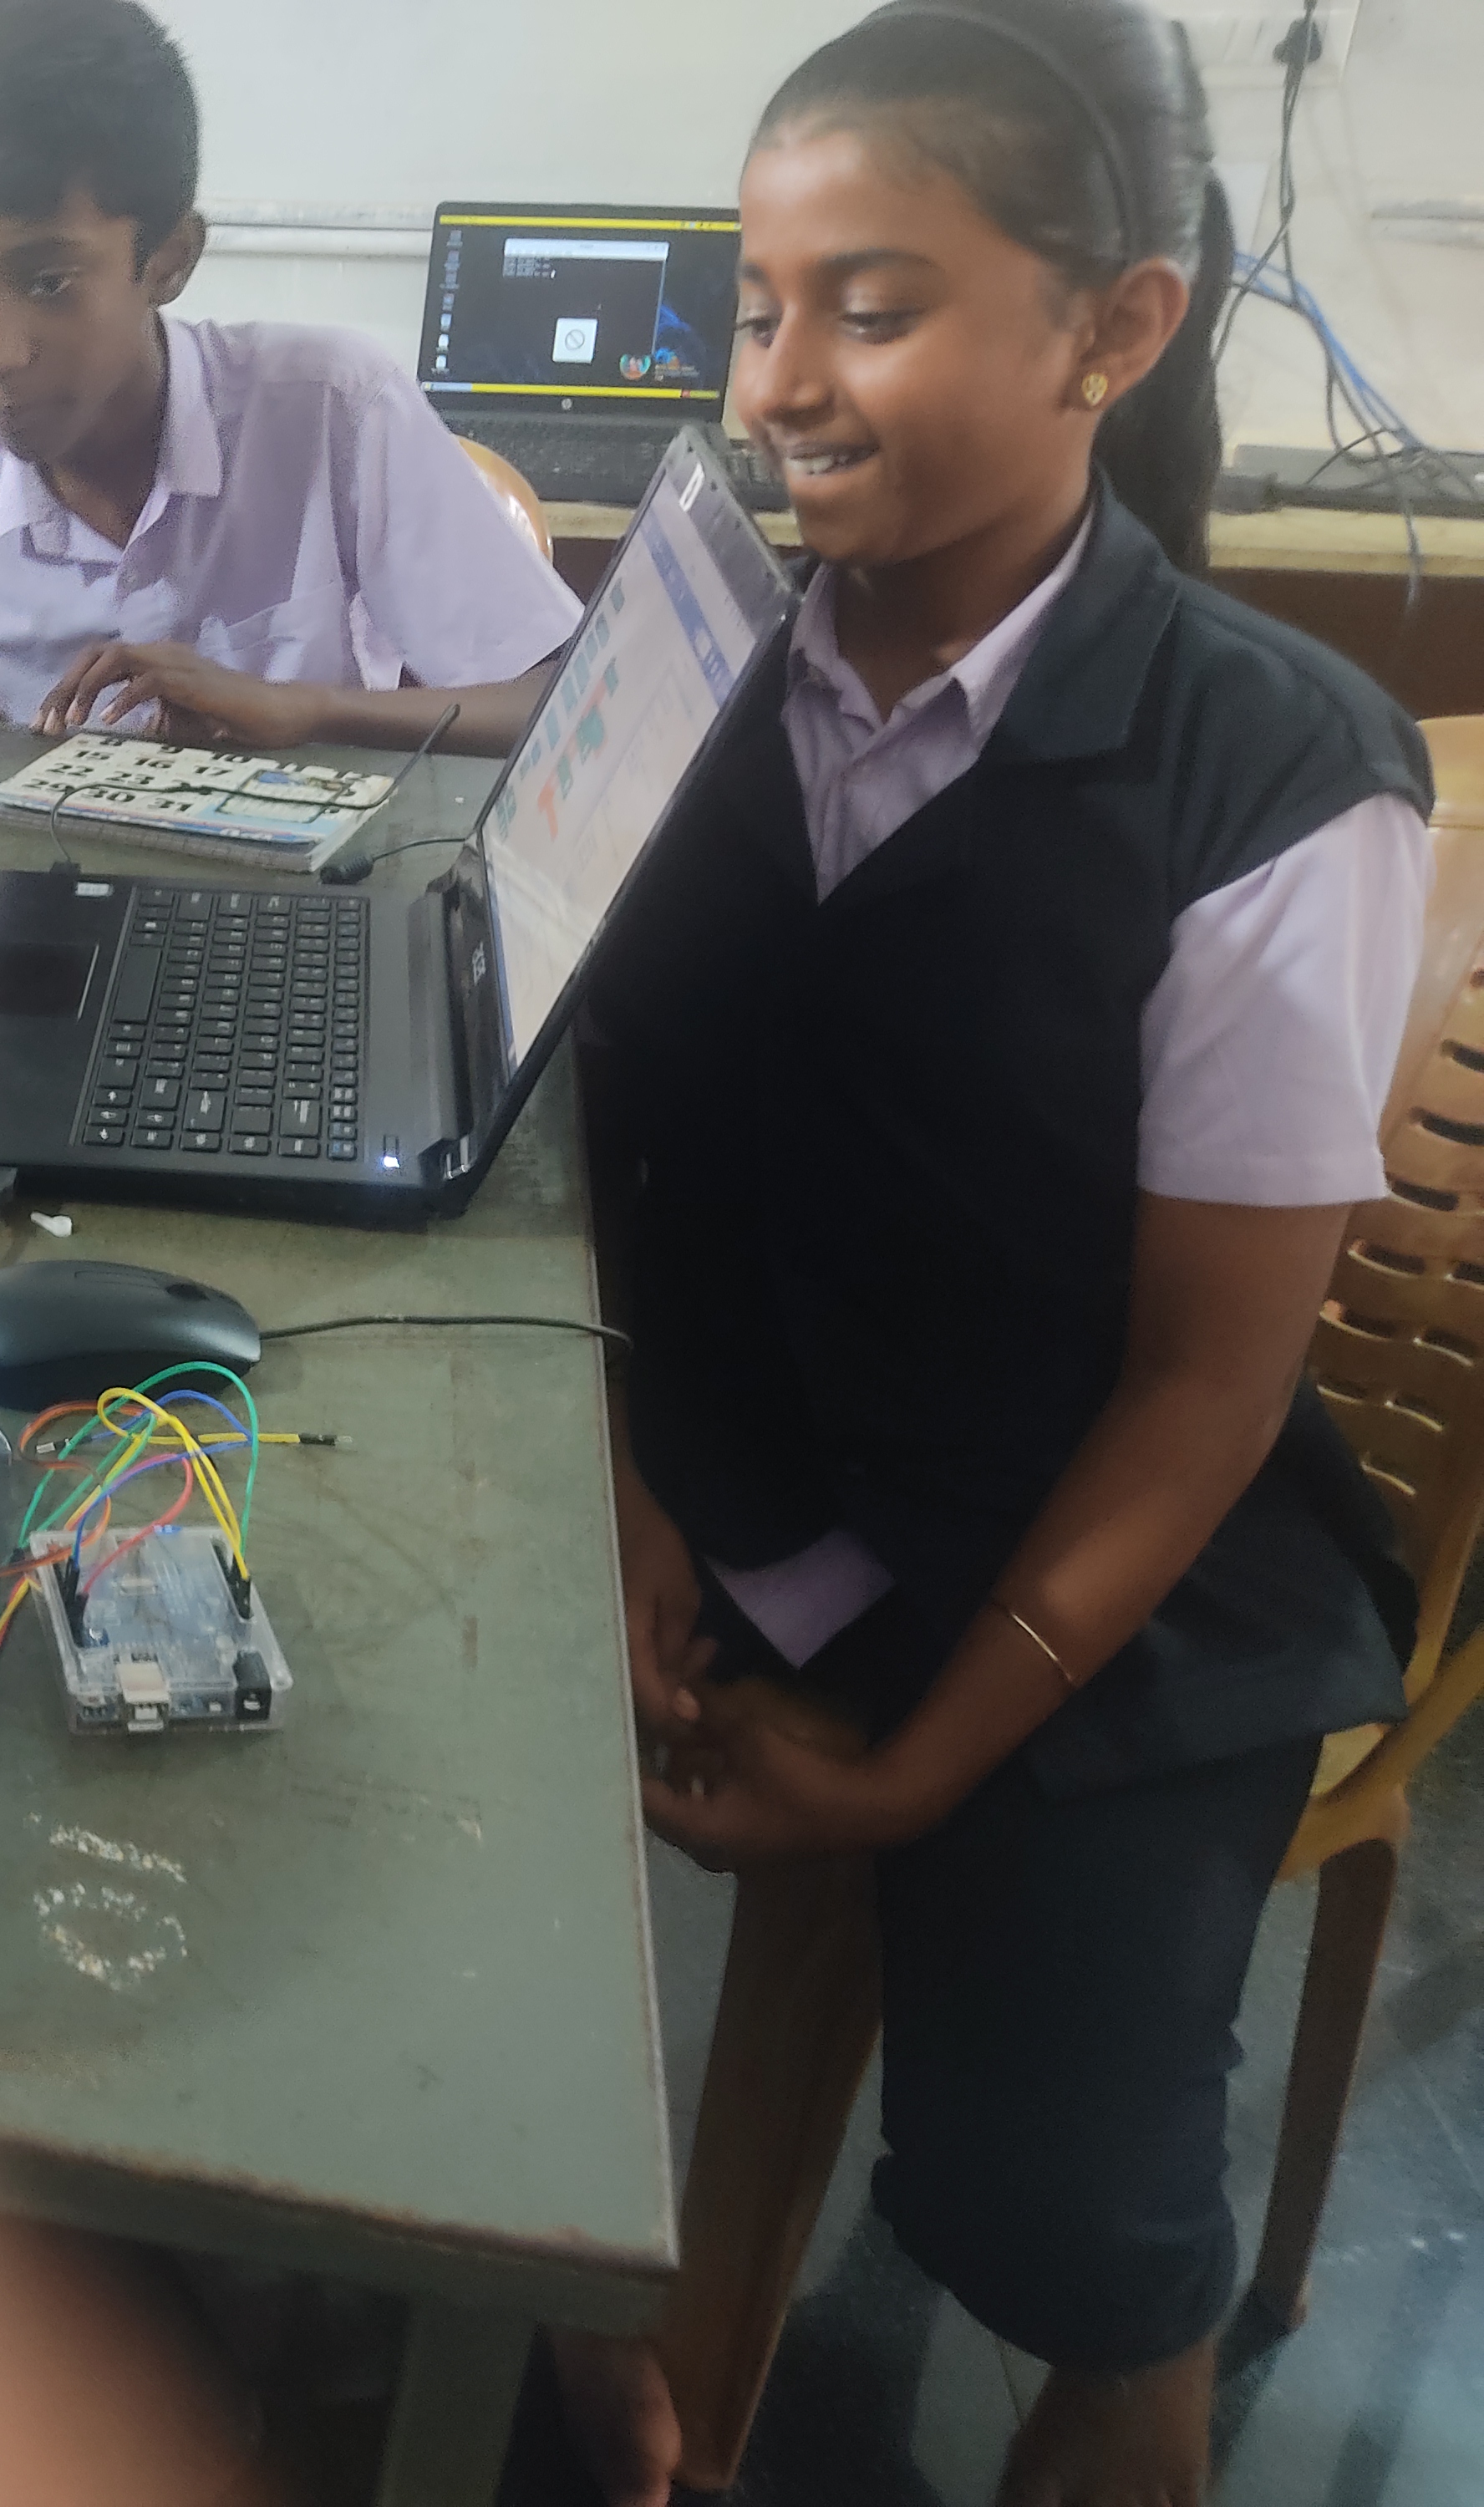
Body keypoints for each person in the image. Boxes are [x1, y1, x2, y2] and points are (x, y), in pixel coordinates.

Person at [562, 5, 1431, 2503]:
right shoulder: (730, 648)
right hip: (756, 1465)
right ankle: (606, 2369)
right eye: (756, 307)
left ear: (1110, 329)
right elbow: (630, 1135)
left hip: (1099, 1570)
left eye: (869, 307)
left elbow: (1198, 1391)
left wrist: (912, 1770)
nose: (777, 383)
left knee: (1060, 2205)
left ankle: (1124, 2373)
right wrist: (634, 1485)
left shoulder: (1267, 776)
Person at [0, 0, 578, 753]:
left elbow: (559, 704)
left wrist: (306, 710)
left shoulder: (337, 411)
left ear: (168, 260)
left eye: (49, 282)